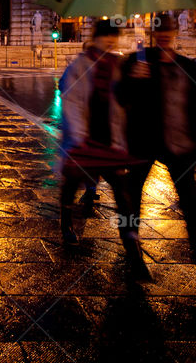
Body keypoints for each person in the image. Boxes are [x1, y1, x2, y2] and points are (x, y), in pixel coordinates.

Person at [116, 13, 196, 291]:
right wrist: (133, 80)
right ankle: (133, 257)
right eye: (161, 33)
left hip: (179, 145)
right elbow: (120, 97)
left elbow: (194, 108)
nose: (166, 37)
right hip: (144, 143)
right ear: (153, 34)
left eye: (169, 32)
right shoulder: (138, 62)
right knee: (132, 205)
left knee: (192, 209)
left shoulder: (186, 65)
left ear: (175, 34)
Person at [59, 19, 151, 280]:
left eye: (115, 36)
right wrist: (77, 135)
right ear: (96, 37)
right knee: (71, 183)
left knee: (123, 195)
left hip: (110, 141)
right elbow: (71, 101)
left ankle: (131, 243)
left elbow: (127, 101)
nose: (111, 41)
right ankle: (66, 223)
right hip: (84, 139)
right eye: (106, 36)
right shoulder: (79, 65)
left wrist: (138, 81)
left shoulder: (120, 65)